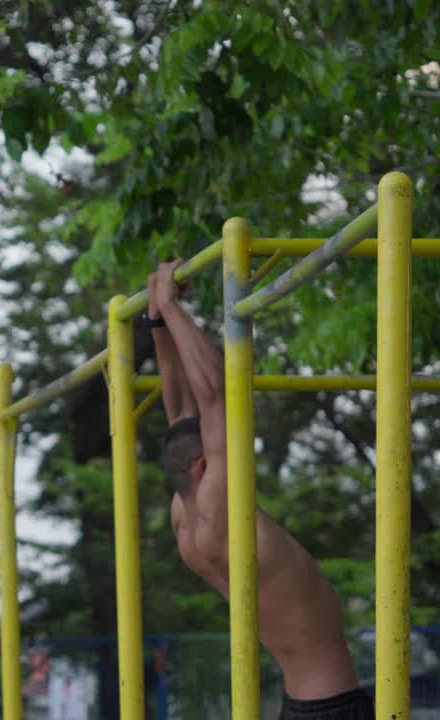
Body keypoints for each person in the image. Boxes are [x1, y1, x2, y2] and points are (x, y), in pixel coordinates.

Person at [147, 260, 373, 720]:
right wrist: (170, 305)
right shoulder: (219, 507)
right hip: (336, 706)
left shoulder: (186, 519)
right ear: (206, 464)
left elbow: (181, 411)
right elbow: (216, 397)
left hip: (300, 704)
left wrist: (158, 321)